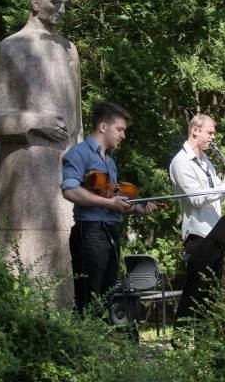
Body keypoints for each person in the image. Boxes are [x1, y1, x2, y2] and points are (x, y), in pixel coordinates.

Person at [0, 0, 81, 305]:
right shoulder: (9, 48)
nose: (61, 10)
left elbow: (77, 121)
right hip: (23, 175)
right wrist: (34, 120)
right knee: (22, 265)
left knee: (64, 270)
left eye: (65, 3)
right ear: (35, 2)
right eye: (55, 2)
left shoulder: (69, 51)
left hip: (64, 182)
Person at [61, 102, 157, 313]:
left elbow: (114, 199)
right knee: (88, 298)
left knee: (106, 296)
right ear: (103, 127)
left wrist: (137, 209)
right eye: (120, 129)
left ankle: (101, 343)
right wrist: (108, 203)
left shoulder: (110, 162)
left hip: (111, 232)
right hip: (90, 233)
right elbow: (69, 190)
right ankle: (83, 342)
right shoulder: (79, 154)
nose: (123, 135)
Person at [169, 113, 225, 324]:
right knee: (195, 290)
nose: (213, 137)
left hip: (215, 233)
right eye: (210, 132)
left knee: (210, 293)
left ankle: (205, 340)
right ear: (195, 130)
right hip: (197, 235)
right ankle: (181, 337)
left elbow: (217, 197)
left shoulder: (206, 162)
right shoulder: (181, 162)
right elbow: (197, 199)